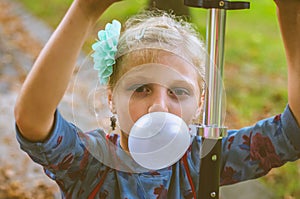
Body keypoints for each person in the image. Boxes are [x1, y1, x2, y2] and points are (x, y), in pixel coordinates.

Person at [14, 0, 300, 198]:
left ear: (201, 102)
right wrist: (85, 10)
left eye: (179, 91)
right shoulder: (90, 162)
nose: (159, 105)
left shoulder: (205, 159)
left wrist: (290, 13)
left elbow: (291, 132)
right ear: (112, 98)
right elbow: (33, 120)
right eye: (141, 89)